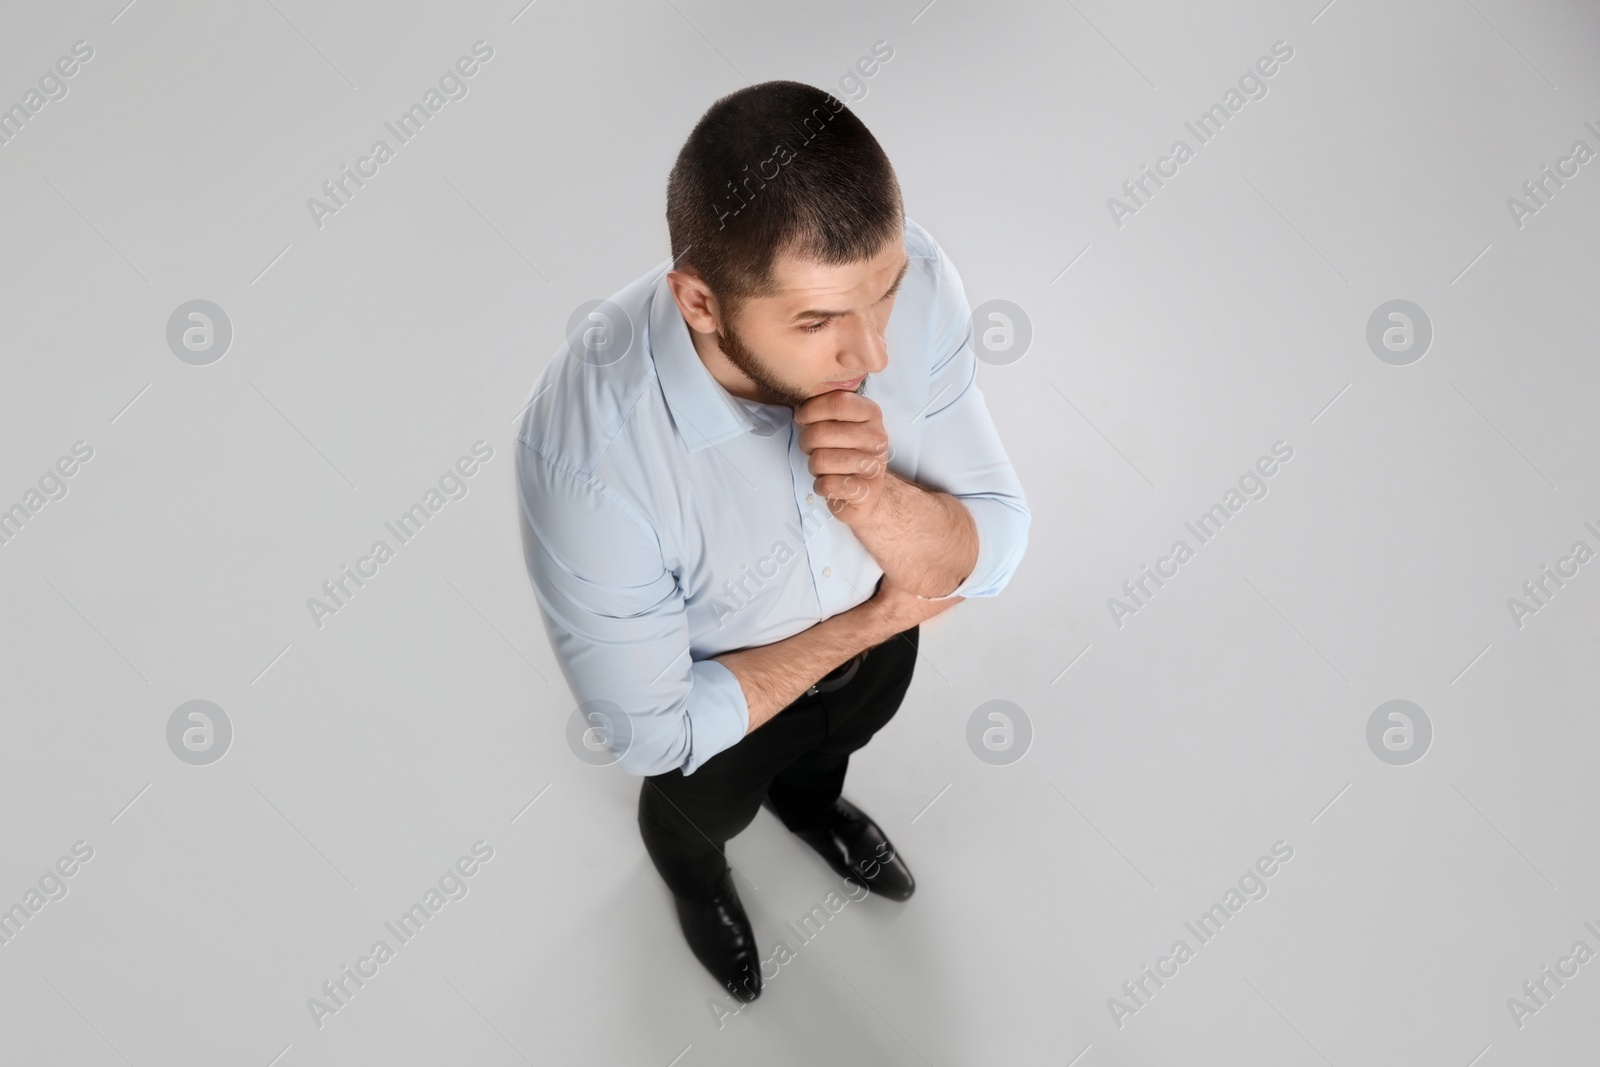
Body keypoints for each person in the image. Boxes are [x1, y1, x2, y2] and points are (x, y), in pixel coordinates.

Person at [514, 79, 1029, 1002]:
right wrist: (880, 618)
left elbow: (997, 542)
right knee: (695, 821)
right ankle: (698, 885)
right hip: (718, 728)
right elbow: (652, 732)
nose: (872, 354)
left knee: (833, 750)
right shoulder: (584, 455)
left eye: (884, 295)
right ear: (701, 304)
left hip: (876, 646)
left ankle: (813, 805)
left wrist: (875, 503)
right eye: (817, 322)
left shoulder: (916, 276)